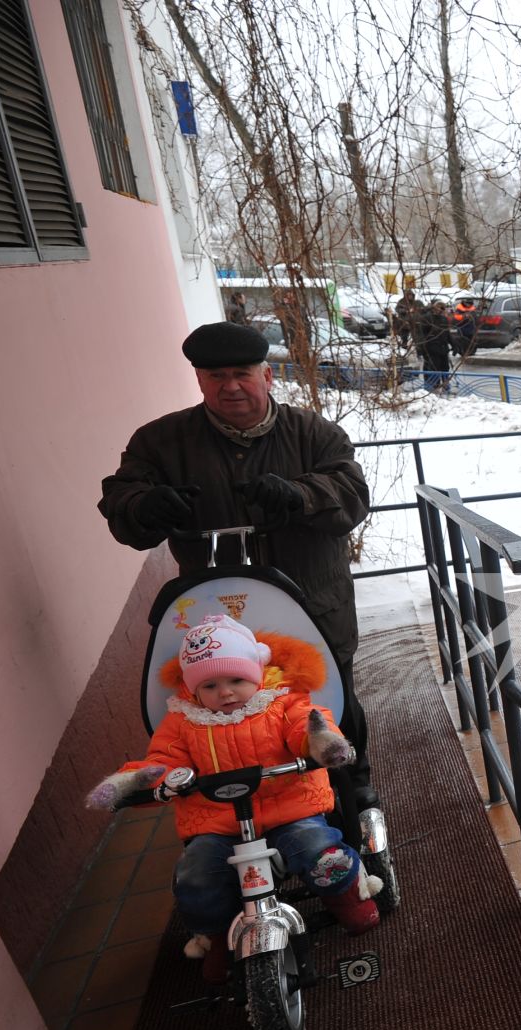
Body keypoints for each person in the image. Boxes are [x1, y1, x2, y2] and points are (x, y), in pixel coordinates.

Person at [98, 320, 377, 813]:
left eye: (242, 373)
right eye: (215, 375)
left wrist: (300, 495)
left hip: (313, 605)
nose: (230, 386)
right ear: (200, 380)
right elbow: (123, 502)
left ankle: (353, 787)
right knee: (223, 717)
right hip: (217, 624)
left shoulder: (313, 433)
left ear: (267, 376)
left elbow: (351, 496)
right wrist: (145, 507)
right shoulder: (160, 442)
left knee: (331, 705)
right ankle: (245, 808)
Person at [85, 614, 382, 981]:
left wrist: (320, 742)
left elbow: (303, 724)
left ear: (256, 673)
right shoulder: (183, 721)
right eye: (209, 685)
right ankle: (217, 936)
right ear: (193, 689)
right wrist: (138, 781)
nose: (224, 692)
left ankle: (346, 897)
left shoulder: (280, 703)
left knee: (318, 849)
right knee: (195, 877)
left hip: (288, 808)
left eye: (236, 680)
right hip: (219, 822)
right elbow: (165, 761)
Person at [417, 300, 454, 391]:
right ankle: (432, 386)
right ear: (434, 308)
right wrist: (421, 348)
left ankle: (445, 385)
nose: (441, 310)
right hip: (431, 349)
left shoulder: (443, 319)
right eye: (439, 307)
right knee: (433, 367)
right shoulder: (426, 318)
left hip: (443, 348)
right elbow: (420, 335)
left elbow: (447, 333)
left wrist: (454, 344)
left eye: (443, 308)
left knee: (445, 367)